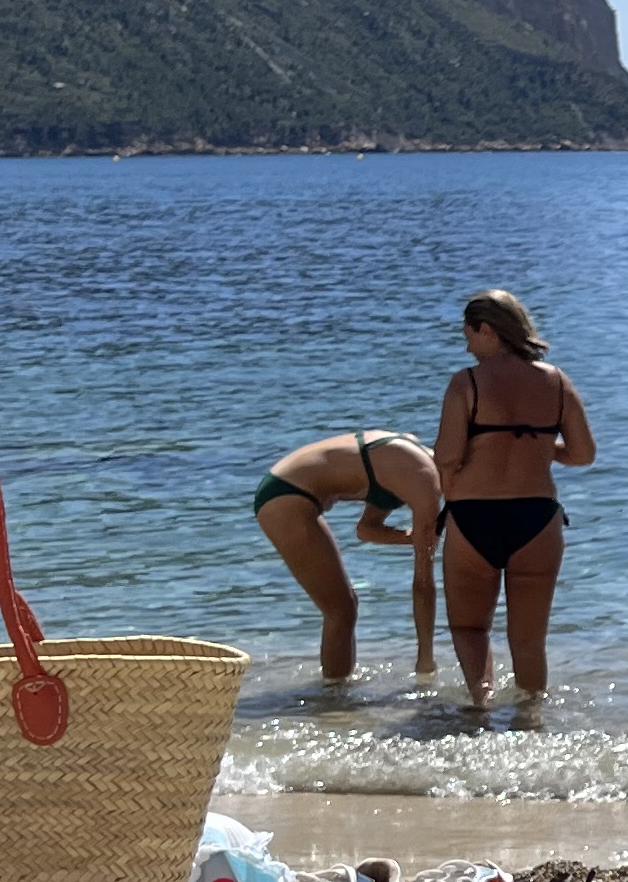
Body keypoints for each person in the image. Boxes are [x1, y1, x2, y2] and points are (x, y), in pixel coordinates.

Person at [433, 287, 595, 702]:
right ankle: (531, 720)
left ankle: (481, 708)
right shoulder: (556, 381)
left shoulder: (466, 382)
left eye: (469, 335)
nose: (467, 347)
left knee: (470, 627)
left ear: (487, 330)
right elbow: (583, 454)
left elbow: (447, 457)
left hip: (473, 517)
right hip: (537, 519)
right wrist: (536, 445)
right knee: (529, 640)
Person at [249, 429, 440, 680]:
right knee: (340, 610)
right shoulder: (424, 479)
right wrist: (425, 659)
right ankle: (333, 694)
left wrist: (417, 538)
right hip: (285, 496)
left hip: (285, 488)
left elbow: (366, 530)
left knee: (344, 607)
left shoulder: (411, 464)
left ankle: (337, 688)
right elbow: (423, 585)